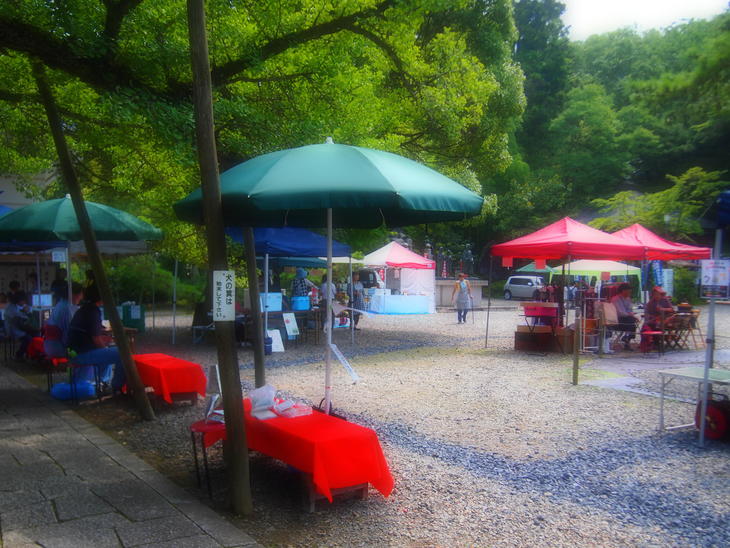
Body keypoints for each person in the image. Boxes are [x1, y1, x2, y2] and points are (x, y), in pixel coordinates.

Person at [67, 284, 124, 391]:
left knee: (107, 352)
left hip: (74, 351)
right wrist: (105, 347)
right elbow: (96, 339)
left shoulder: (84, 309)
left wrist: (104, 346)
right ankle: (116, 386)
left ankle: (102, 382)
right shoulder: (93, 312)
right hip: (81, 354)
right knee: (122, 353)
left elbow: (90, 335)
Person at [44, 282, 84, 359]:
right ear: (73, 295)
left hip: (52, 345)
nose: (82, 297)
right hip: (58, 347)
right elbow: (69, 334)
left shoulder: (61, 304)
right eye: (81, 294)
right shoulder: (66, 308)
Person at [610, 282, 639, 350]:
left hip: (627, 320)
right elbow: (620, 312)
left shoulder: (628, 299)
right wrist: (630, 315)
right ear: (623, 290)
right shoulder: (615, 299)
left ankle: (627, 338)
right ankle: (627, 338)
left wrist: (631, 314)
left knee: (632, 321)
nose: (630, 291)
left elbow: (630, 309)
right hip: (617, 320)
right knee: (632, 321)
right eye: (628, 290)